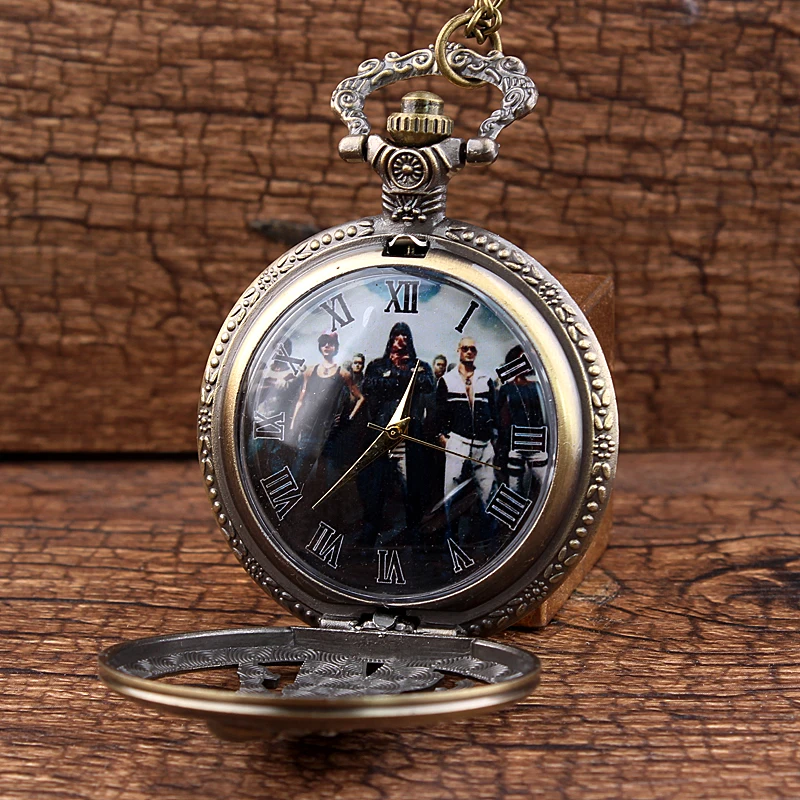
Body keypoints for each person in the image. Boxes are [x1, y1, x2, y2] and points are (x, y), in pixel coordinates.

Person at [359, 322, 435, 544]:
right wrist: (402, 375)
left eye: (405, 336)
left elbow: (427, 384)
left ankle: (414, 532)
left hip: (408, 434)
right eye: (397, 335)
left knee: (412, 486)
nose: (401, 340)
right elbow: (369, 385)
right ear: (391, 339)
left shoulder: (421, 365)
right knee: (375, 485)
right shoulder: (377, 365)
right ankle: (370, 532)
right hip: (382, 431)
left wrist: (392, 377)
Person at [436, 336, 497, 525]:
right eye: (465, 348)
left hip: (483, 445)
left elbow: (493, 411)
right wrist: (442, 437)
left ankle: (487, 538)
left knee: (487, 493)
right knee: (452, 494)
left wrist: (493, 437)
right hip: (458, 442)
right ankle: (450, 536)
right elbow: (439, 413)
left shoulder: (485, 379)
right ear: (458, 350)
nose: (469, 352)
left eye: (472, 349)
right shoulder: (447, 380)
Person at [290, 332, 364, 486]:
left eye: (330, 343)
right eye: (323, 343)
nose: (326, 346)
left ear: (336, 347)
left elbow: (360, 398)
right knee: (299, 473)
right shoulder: (310, 371)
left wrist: (348, 417)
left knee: (326, 477)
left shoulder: (342, 373)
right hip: (309, 429)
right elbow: (301, 400)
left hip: (330, 431)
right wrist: (294, 424)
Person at [496, 344, 548, 499]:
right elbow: (502, 418)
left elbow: (542, 416)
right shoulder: (506, 389)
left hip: (535, 443)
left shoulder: (537, 386)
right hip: (515, 444)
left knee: (546, 482)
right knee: (514, 487)